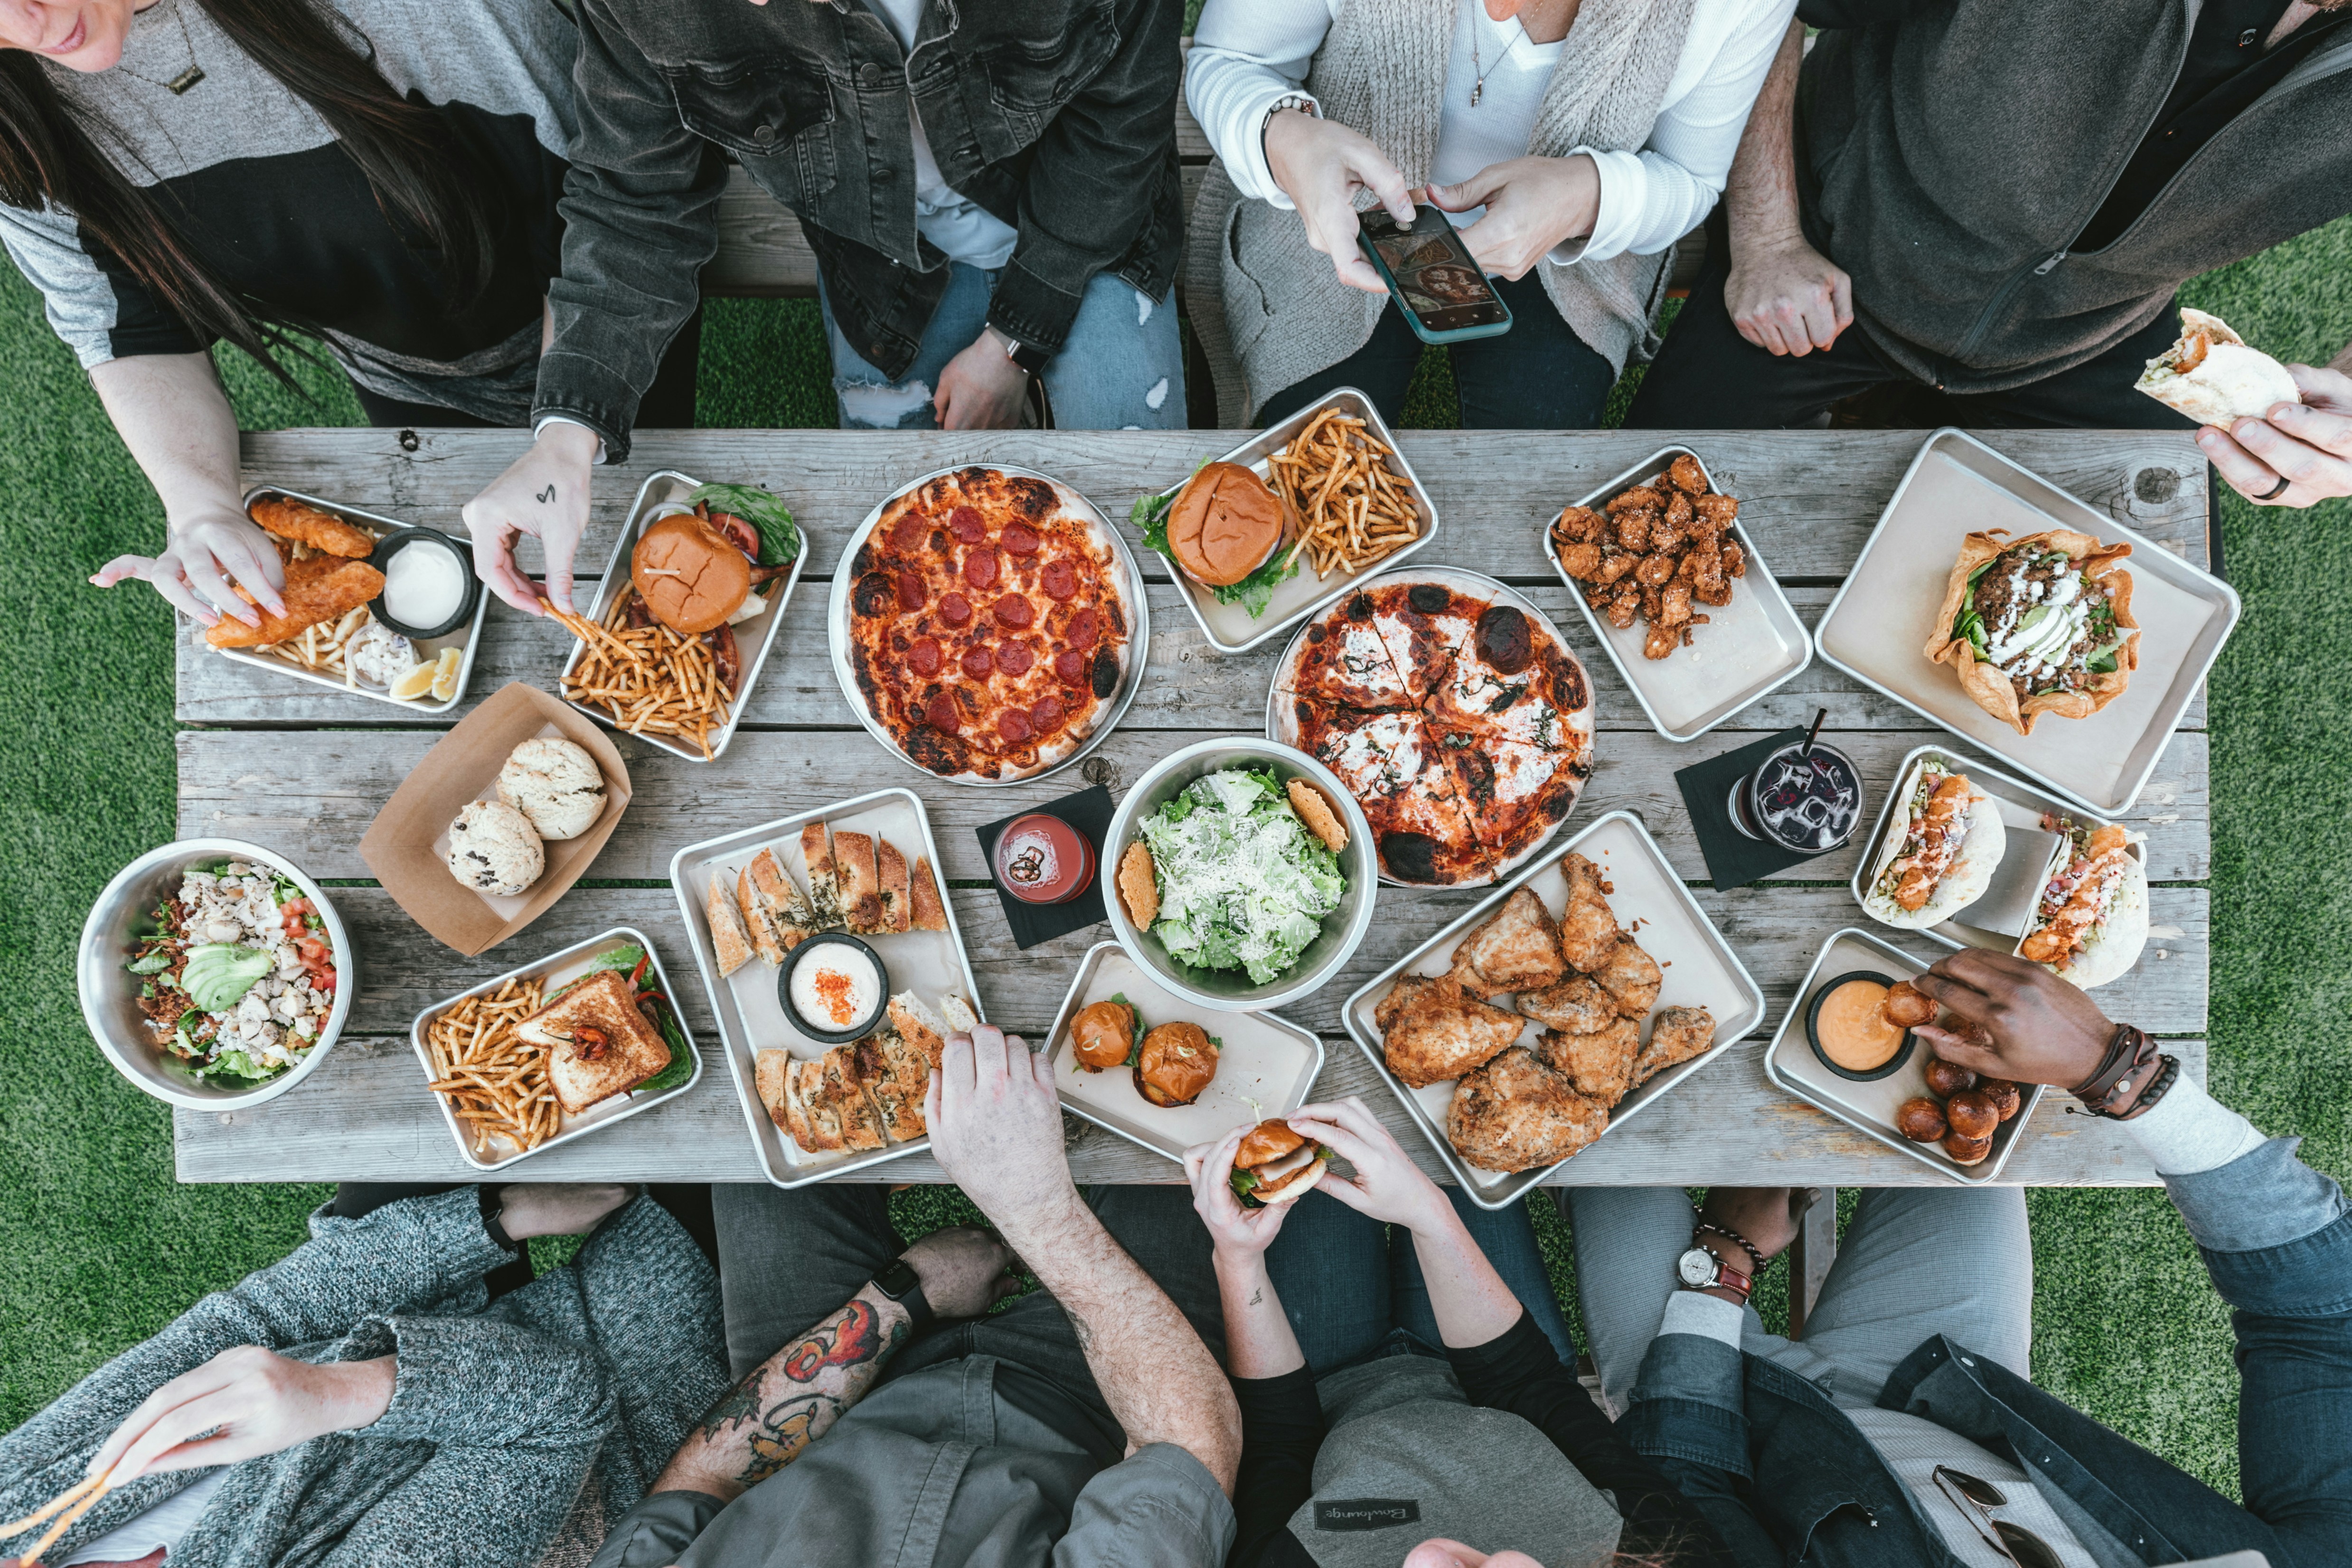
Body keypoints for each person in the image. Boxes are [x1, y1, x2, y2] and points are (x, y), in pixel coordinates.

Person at [1566, 949, 2351, 1568]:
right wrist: (2109, 1067)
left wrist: (1724, 1264)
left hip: (1725, 1423)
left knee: (1584, 1122)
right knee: (1954, 1088)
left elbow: (1689, 1489)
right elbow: (2321, 1319)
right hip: (1939, 1388)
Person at [463, 0, 1191, 620]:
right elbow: (635, 200)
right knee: (907, 580)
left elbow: (1121, 119)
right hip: (886, 274)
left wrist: (1013, 343)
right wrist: (565, 436)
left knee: (1150, 532)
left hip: (1089, 228)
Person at [0, 0, 691, 633]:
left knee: (648, 573)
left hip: (605, 324)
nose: (25, 26)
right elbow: (126, 324)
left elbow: (618, 200)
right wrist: (200, 504)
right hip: (400, 374)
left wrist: (568, 430)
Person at [1625, 5, 2352, 510]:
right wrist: (1766, 235)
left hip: (2094, 328)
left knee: (2129, 639)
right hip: (1830, 242)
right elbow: (1766, 7)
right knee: (1640, 518)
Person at [586, 1023, 1242, 1568]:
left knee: (764, 1092)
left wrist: (902, 1297)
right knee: (1193, 1125)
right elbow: (1183, 1448)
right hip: (1098, 1409)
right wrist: (1033, 1205)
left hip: (822, 1408)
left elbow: (705, 1482)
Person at [0, 1183, 728, 1568]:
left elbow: (255, 1319)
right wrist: (328, 1393)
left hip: (426, 1319)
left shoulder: (15, 1513)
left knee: (438, 1063)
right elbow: (561, 1406)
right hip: (626, 1361)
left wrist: (492, 1220)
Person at [1182, 0, 1797, 431]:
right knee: (1316, 477)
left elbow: (1688, 179)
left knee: (1531, 487)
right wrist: (1286, 139)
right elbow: (1230, 62)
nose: (1497, 12)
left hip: (1567, 261)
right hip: (1330, 225)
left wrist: (1585, 196)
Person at [1185, 1098, 1732, 1568]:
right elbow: (1527, 1386)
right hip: (1496, 1377)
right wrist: (1428, 1214)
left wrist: (1238, 1261)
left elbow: (1279, 1440)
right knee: (1451, 1121)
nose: (1424, 1557)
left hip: (1321, 1385)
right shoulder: (1657, 1552)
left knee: (1294, 1105)